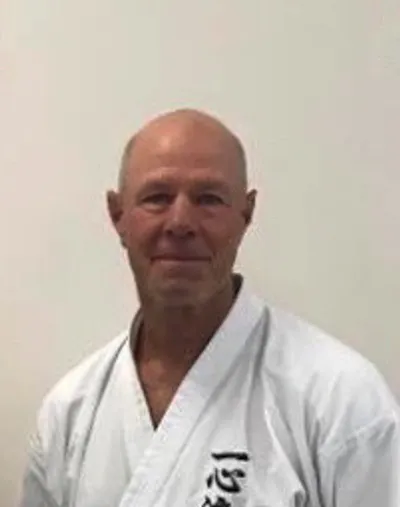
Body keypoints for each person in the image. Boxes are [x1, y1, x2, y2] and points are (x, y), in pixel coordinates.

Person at [19, 108, 399, 507]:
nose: (180, 222)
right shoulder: (69, 414)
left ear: (246, 214)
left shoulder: (342, 401)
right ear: (118, 216)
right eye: (157, 198)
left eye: (209, 199)